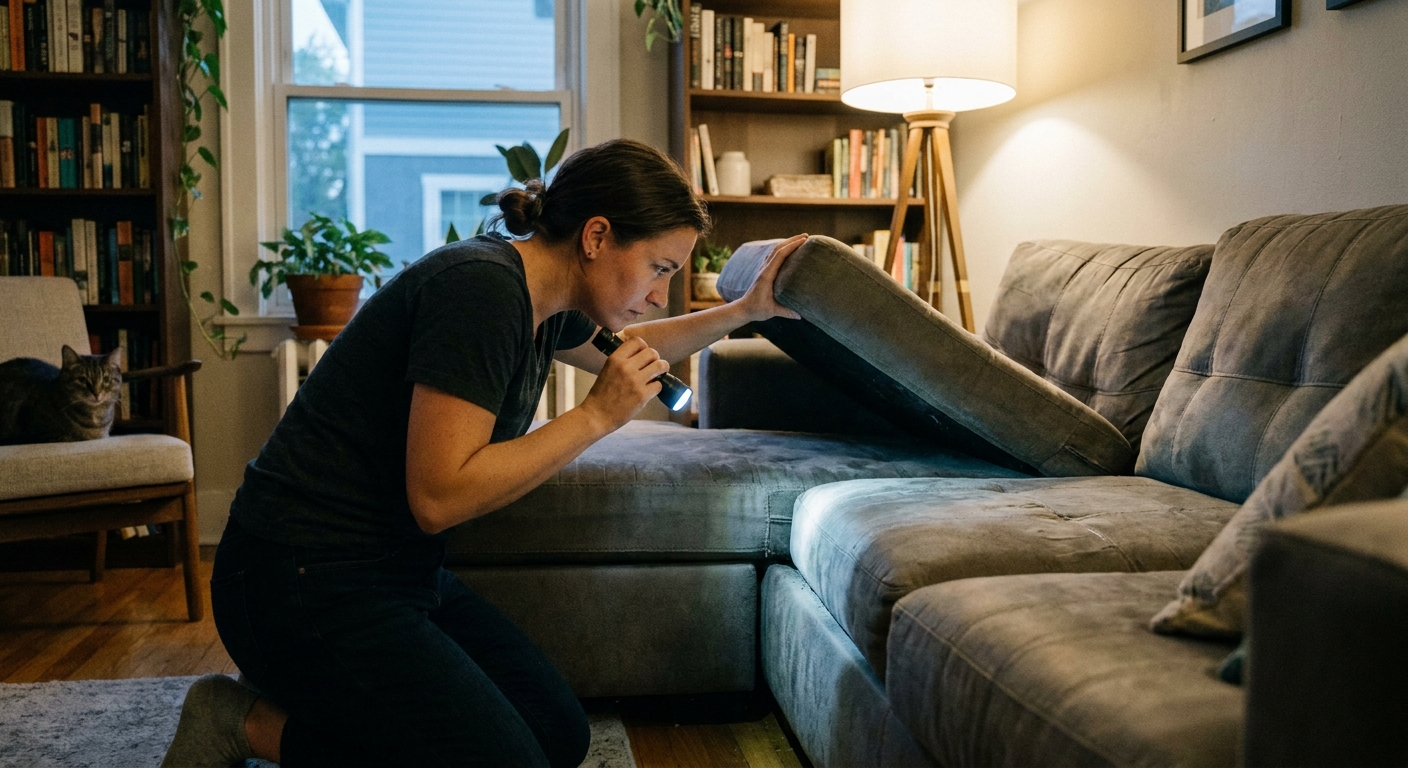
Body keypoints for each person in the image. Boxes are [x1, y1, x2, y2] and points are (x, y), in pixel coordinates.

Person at [159, 138, 806, 768]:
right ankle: (242, 723)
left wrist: (747, 310)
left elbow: (639, 340)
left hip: (394, 573)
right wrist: (595, 416)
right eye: (660, 268)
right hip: (294, 581)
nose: (662, 290)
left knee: (556, 736)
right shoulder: (482, 291)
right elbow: (439, 498)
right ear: (597, 236)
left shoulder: (546, 299)